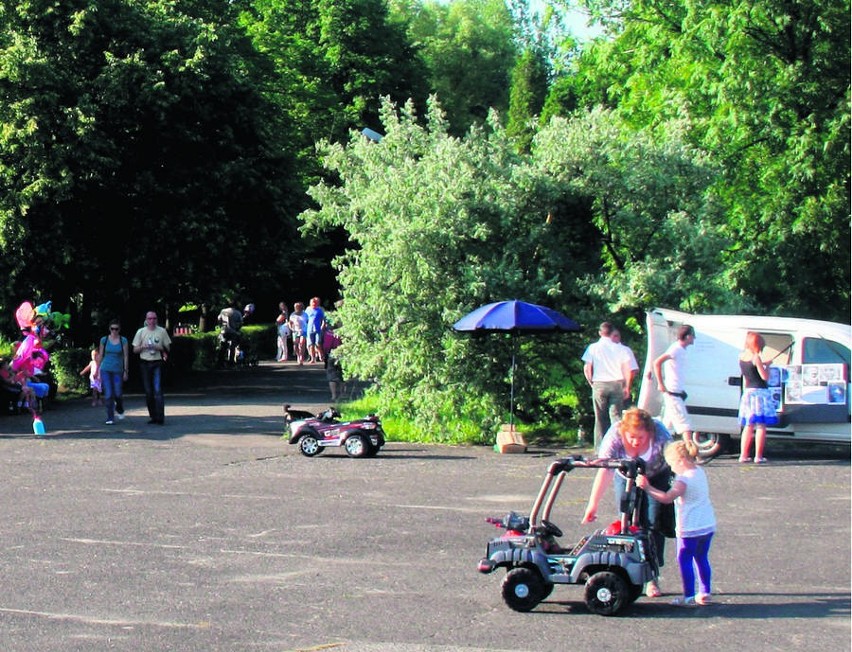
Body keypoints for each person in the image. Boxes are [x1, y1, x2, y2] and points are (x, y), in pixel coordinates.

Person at [582, 407, 673, 598]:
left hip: (656, 476)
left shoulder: (661, 435)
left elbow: (678, 463)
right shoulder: (614, 435)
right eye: (631, 437)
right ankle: (628, 572)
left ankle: (652, 577)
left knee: (652, 522)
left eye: (640, 438)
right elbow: (604, 469)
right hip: (625, 475)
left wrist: (679, 492)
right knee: (627, 521)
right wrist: (593, 504)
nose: (635, 441)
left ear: (650, 432)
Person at [637, 440, 716, 607]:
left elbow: (666, 498)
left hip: (690, 527)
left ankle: (688, 596)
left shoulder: (683, 479)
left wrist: (647, 487)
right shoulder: (699, 471)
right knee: (701, 558)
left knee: (684, 559)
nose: (671, 468)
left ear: (680, 460)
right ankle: (704, 592)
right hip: (707, 523)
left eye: (672, 464)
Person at [581, 322, 633, 447]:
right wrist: (627, 386)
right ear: (612, 333)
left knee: (600, 417)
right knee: (616, 417)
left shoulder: (593, 348)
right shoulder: (620, 348)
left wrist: (591, 382)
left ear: (600, 333)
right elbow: (628, 369)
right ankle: (619, 445)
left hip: (599, 383)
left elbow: (588, 368)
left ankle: (600, 447)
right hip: (616, 383)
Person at [737, 331, 779, 464]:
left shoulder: (742, 357)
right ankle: (758, 456)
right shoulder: (756, 357)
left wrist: (763, 364)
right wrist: (768, 366)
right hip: (760, 393)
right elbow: (764, 377)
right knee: (761, 425)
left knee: (748, 425)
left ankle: (743, 455)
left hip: (748, 393)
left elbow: (748, 376)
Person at [653, 325, 696, 446]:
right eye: (693, 336)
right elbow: (657, 362)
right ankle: (691, 452)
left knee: (667, 426)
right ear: (687, 336)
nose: (694, 339)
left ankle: (658, 448)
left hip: (677, 391)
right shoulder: (675, 349)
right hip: (672, 392)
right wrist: (661, 383)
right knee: (685, 423)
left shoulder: (681, 350)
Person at [132, 311, 171, 425]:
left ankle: (160, 417)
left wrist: (160, 347)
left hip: (157, 362)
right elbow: (134, 350)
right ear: (146, 320)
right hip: (144, 363)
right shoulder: (141, 332)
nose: (152, 321)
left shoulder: (162, 331)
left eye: (154, 318)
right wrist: (142, 347)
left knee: (158, 390)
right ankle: (153, 415)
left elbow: (168, 348)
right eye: (150, 319)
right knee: (148, 392)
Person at [96, 319, 129, 425]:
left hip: (118, 370)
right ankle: (110, 416)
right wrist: (97, 370)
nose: (114, 331)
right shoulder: (104, 340)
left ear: (119, 330)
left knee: (118, 393)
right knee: (109, 394)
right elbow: (101, 355)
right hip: (105, 369)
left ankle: (119, 408)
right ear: (109, 329)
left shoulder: (123, 340)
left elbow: (126, 356)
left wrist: (125, 371)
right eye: (112, 329)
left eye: (116, 329)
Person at [611, 329, 640, 406]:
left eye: (615, 336)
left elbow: (633, 370)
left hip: (620, 384)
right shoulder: (603, 350)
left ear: (619, 337)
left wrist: (627, 386)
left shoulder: (625, 350)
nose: (613, 338)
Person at [305, 297, 326, 364]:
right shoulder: (307, 310)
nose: (313, 304)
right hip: (309, 329)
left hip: (317, 329)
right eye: (312, 302)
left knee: (318, 343)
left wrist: (323, 325)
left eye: (314, 302)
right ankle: (313, 358)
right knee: (311, 345)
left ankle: (321, 356)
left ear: (317, 303)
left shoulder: (319, 310)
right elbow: (304, 319)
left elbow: (323, 319)